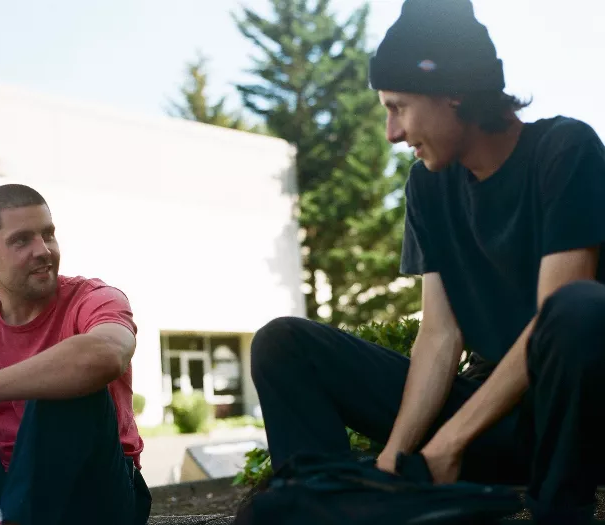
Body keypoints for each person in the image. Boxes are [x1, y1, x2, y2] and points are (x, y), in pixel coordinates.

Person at [250, 1, 605, 524]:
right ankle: (338, 508)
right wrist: (397, 461)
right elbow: (439, 336)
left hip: (576, 421)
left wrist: (449, 442)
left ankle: (559, 512)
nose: (392, 132)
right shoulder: (429, 185)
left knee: (578, 308)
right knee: (284, 345)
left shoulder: (564, 150)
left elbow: (554, 324)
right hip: (494, 425)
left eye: (399, 107)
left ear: (455, 93)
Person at [0, 184, 152, 525]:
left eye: (48, 234)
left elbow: (107, 353)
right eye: (22, 240)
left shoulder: (94, 298)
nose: (44, 251)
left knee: (68, 383)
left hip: (97, 489)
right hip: (1, 483)